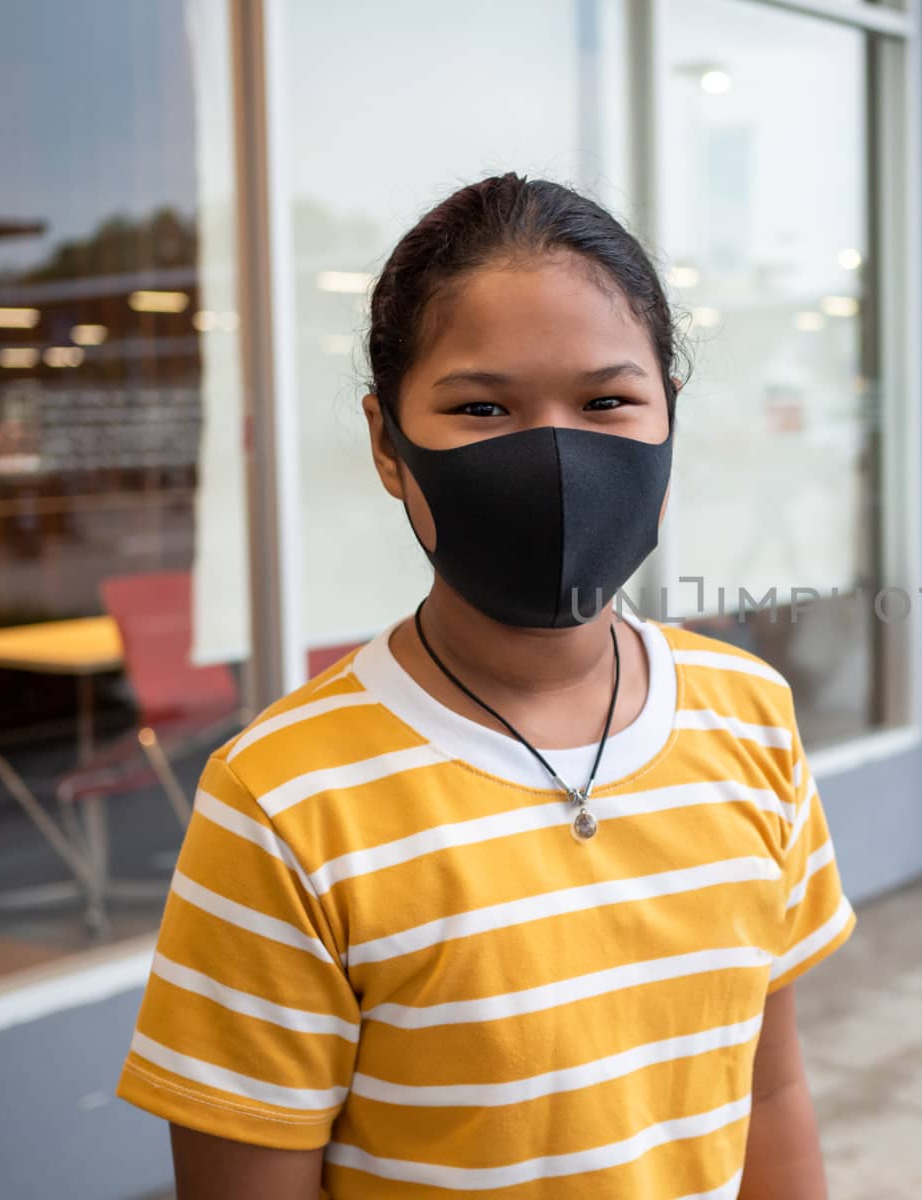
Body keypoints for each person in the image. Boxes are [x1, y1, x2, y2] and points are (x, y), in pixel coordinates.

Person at [114, 173, 856, 1199]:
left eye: (606, 401)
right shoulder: (282, 803)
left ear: (668, 424)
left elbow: (765, 1096)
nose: (553, 456)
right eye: (481, 407)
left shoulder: (749, 714)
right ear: (387, 444)